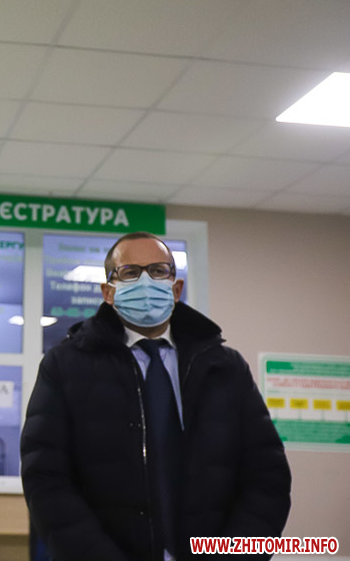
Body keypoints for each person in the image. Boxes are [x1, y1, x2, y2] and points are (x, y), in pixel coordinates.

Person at [21, 232, 291, 561]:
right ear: (108, 292)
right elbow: (47, 479)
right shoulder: (66, 366)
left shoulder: (225, 368)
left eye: (159, 271)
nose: (146, 282)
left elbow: (266, 478)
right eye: (130, 273)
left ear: (176, 289)